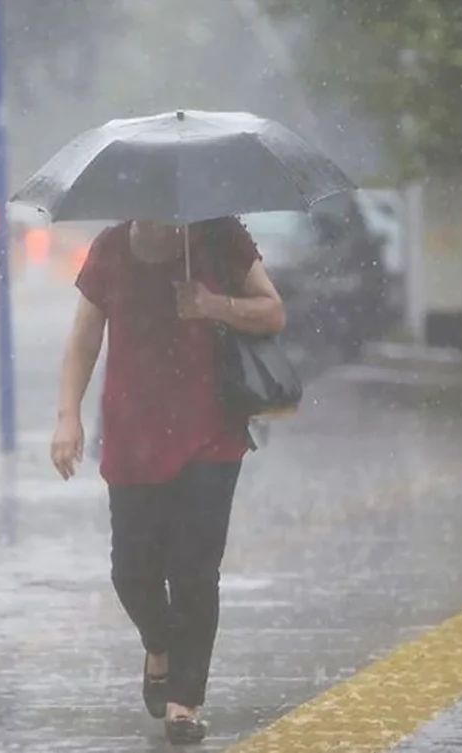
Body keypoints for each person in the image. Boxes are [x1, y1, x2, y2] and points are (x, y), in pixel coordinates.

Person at [51, 217, 285, 745]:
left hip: (210, 433)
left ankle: (186, 700)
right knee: (130, 572)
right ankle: (159, 644)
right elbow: (85, 339)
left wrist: (212, 305)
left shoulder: (220, 238)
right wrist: (69, 415)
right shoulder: (111, 249)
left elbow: (273, 311)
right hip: (133, 434)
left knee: (194, 571)